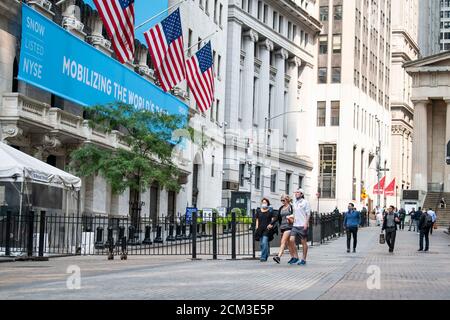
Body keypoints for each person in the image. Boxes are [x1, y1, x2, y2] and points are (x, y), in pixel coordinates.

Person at [287, 188, 311, 265]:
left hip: (302, 224)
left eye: (298, 192)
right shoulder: (295, 202)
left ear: (301, 194)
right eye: (296, 192)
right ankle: (296, 257)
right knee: (291, 240)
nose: (296, 193)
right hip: (295, 225)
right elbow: (295, 213)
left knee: (303, 242)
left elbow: (308, 214)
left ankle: (303, 259)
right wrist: (290, 217)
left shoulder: (305, 202)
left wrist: (306, 223)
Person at [273, 195, 295, 264]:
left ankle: (279, 257)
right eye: (281, 200)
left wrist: (290, 218)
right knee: (288, 243)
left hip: (289, 227)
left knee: (283, 241)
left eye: (283, 200)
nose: (282, 202)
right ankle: (293, 257)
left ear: (287, 200)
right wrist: (271, 223)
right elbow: (277, 217)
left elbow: (294, 215)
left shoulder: (291, 207)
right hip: (282, 227)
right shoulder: (281, 208)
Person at [255, 198, 278, 262]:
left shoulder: (270, 211)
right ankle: (266, 254)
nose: (264, 203)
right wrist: (256, 228)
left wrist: (271, 224)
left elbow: (273, 219)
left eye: (265, 202)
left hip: (267, 229)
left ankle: (263, 257)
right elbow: (257, 220)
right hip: (260, 229)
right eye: (263, 202)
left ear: (267, 203)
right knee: (262, 244)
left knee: (264, 242)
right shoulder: (258, 211)